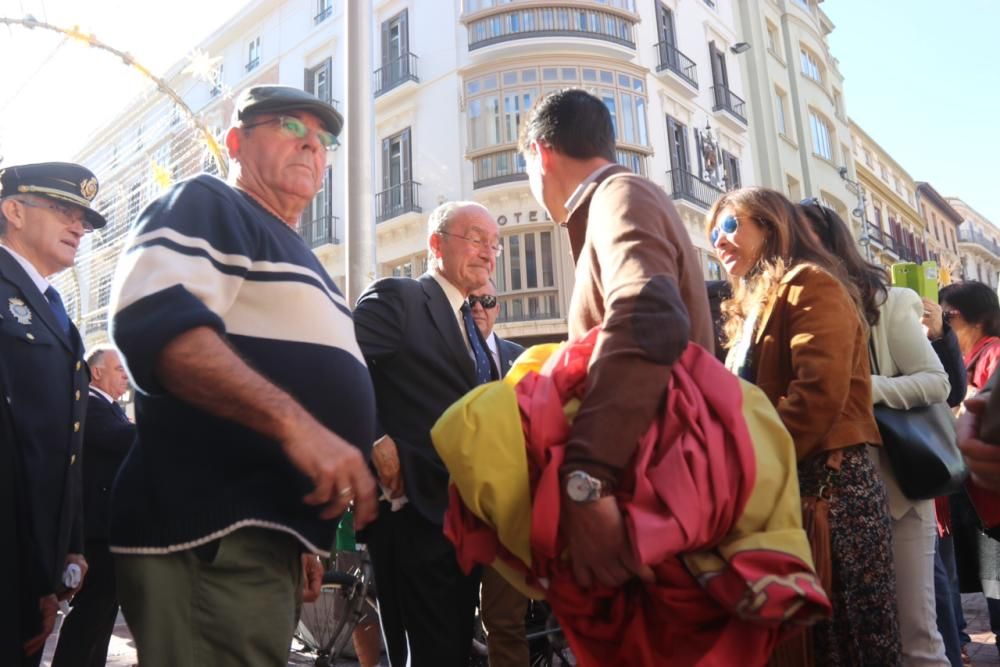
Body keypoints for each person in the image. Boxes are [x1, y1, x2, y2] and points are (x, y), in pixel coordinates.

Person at [107, 84, 377, 667]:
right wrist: (295, 425)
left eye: (323, 138)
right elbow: (154, 324)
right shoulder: (210, 202)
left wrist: (300, 535)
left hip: (260, 539)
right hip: (212, 537)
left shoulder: (295, 249)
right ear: (235, 140)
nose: (311, 145)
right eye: (289, 126)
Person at [518, 88, 713, 590]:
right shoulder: (620, 197)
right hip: (654, 508)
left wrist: (586, 478)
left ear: (541, 153)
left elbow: (649, 315)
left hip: (651, 510)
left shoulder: (620, 195)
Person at [709, 187, 901, 664]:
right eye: (713, 232)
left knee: (845, 644)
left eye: (731, 225)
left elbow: (818, 394)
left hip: (832, 496)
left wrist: (748, 464)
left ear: (771, 226)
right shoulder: (755, 302)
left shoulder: (810, 283)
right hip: (791, 493)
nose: (719, 240)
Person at [801, 200, 950, 666]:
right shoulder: (792, 309)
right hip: (830, 498)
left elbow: (936, 381)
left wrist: (862, 390)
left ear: (827, 241)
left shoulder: (890, 303)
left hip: (899, 485)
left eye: (801, 239)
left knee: (916, 636)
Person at [353, 201, 500, 666]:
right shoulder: (400, 297)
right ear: (436, 244)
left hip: (465, 516)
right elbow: (340, 361)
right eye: (475, 238)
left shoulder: (472, 324)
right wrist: (375, 439)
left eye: (493, 244)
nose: (488, 253)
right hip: (414, 511)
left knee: (452, 649)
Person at [0, 162, 106, 665]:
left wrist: (70, 547)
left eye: (83, 218)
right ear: (13, 210)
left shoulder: (56, 310)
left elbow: (66, 445)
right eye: (64, 210)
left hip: (35, 563)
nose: (78, 226)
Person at [52, 347, 134, 667]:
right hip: (96, 529)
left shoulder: (109, 407)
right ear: (97, 372)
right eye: (118, 369)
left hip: (110, 524)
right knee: (90, 614)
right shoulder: (90, 403)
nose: (125, 376)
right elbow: (118, 438)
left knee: (103, 613)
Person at [468, 279, 529, 667]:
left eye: (486, 300)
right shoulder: (443, 357)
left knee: (504, 622)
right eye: (470, 301)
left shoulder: (520, 359)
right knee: (449, 622)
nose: (478, 307)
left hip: (508, 513)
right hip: (451, 506)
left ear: (498, 307)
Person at [937, 281, 1000, 657]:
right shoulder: (968, 357)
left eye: (945, 315)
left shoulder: (993, 354)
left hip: (991, 501)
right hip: (981, 501)